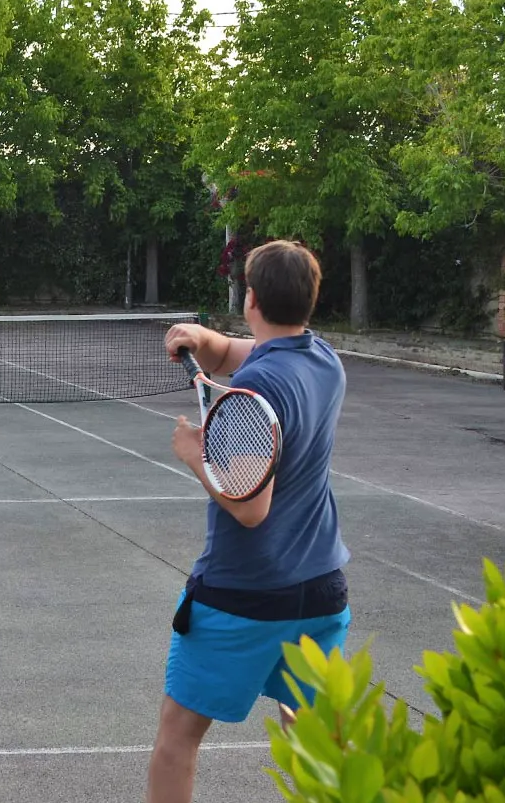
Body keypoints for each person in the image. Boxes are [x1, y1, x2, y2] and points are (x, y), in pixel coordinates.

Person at [147, 239, 351, 803]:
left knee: (178, 736)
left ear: (251, 297)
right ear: (308, 301)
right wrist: (204, 340)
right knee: (312, 733)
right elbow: (250, 350)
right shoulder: (323, 359)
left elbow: (249, 505)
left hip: (245, 597)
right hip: (322, 592)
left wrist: (193, 451)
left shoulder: (253, 390)